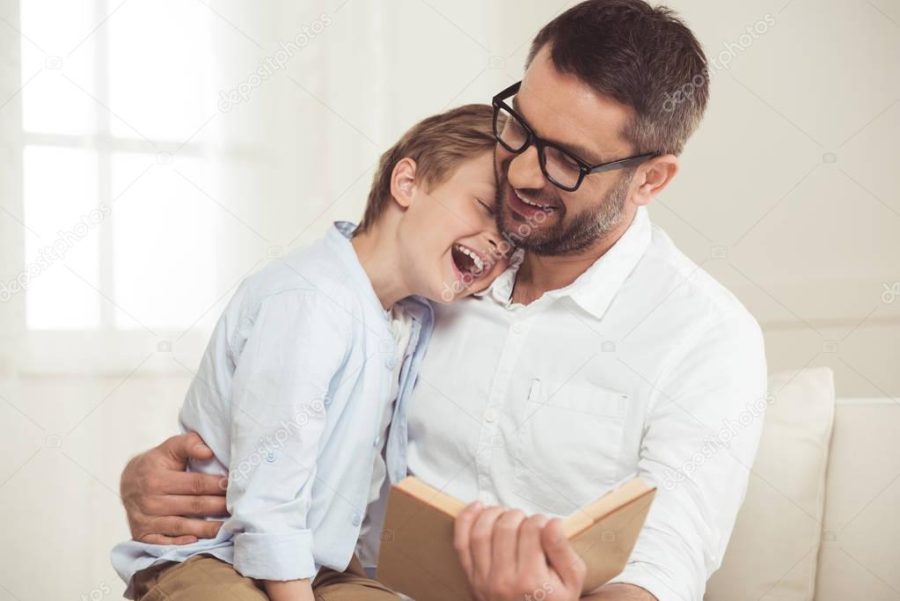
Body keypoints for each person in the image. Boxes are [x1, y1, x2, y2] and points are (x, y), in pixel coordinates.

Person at [118, 1, 769, 600]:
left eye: (566, 161)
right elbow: (288, 402)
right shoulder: (433, 280)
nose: (520, 173)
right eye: (519, 128)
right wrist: (162, 480)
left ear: (650, 177)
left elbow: (663, 565)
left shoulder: (706, 337)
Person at [111, 104, 510, 601]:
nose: (499, 242)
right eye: (484, 207)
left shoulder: (407, 319)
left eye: (512, 241)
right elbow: (269, 491)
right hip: (213, 554)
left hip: (322, 564)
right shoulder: (312, 299)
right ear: (407, 183)